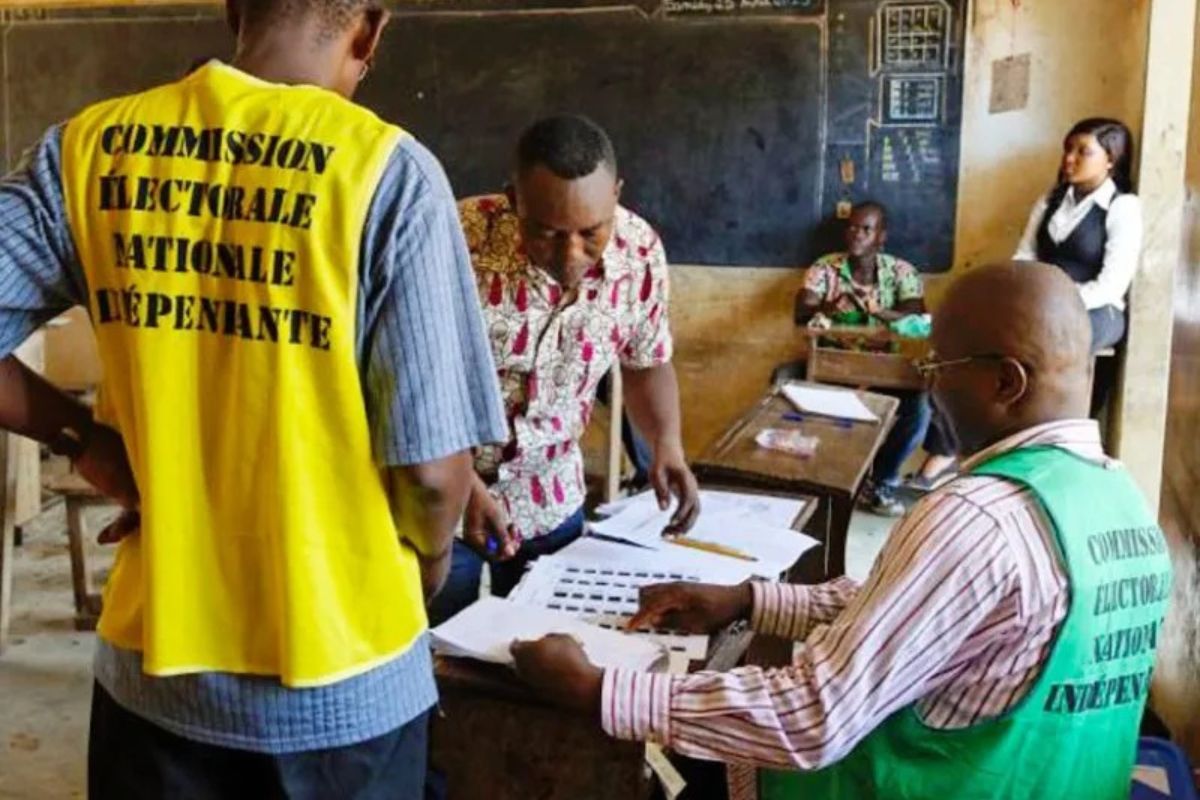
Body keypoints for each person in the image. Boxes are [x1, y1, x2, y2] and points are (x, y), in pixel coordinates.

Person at [0, 1, 508, 796]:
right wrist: (427, 568)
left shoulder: (91, 150)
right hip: (349, 685)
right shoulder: (388, 174)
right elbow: (434, 478)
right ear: (371, 29)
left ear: (234, 8)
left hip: (154, 675)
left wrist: (86, 443)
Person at [511, 262, 1172, 800]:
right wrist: (753, 600)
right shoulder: (1116, 500)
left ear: (1005, 380)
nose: (932, 391)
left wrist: (600, 688)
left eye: (939, 369)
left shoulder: (978, 517)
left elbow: (813, 716)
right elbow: (936, 616)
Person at [427, 115, 701, 626]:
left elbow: (646, 362)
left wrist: (668, 444)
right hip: (445, 495)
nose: (571, 255)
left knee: (546, 649)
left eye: (590, 232)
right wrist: (463, 485)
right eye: (546, 234)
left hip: (550, 497)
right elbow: (412, 381)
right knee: (438, 652)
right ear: (514, 200)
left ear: (616, 195)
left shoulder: (640, 253)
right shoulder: (454, 239)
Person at [787, 201, 935, 516]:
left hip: (884, 371)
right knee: (784, 385)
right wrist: (827, 308)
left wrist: (879, 311)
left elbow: (917, 317)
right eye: (853, 227)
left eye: (866, 229)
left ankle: (880, 482)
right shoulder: (825, 267)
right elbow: (801, 311)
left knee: (918, 409)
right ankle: (811, 480)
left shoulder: (901, 271)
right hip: (832, 366)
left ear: (881, 237)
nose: (856, 235)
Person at [1014, 117, 1141, 353]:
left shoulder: (1122, 207)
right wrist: (1028, 297)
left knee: (1047, 337)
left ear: (1110, 159)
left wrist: (1057, 303)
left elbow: (1111, 286)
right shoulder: (1049, 202)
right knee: (993, 326)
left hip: (1098, 311)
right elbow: (1024, 257)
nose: (1069, 159)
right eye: (1068, 149)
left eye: (1084, 152)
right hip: (1042, 306)